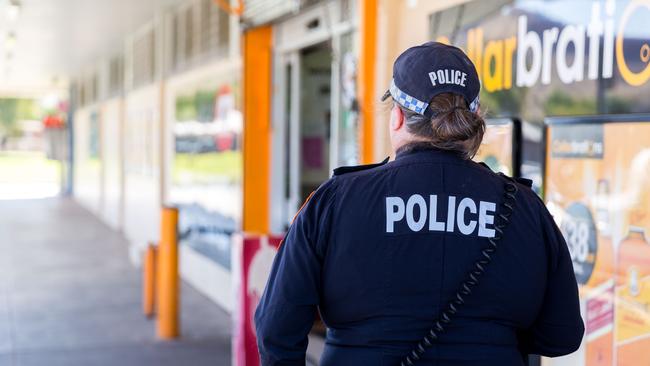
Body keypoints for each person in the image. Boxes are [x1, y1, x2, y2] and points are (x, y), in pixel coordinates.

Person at [254, 42, 584, 366]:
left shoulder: (334, 200)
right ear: (473, 118)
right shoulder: (524, 207)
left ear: (396, 116)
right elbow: (562, 335)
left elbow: (276, 329)